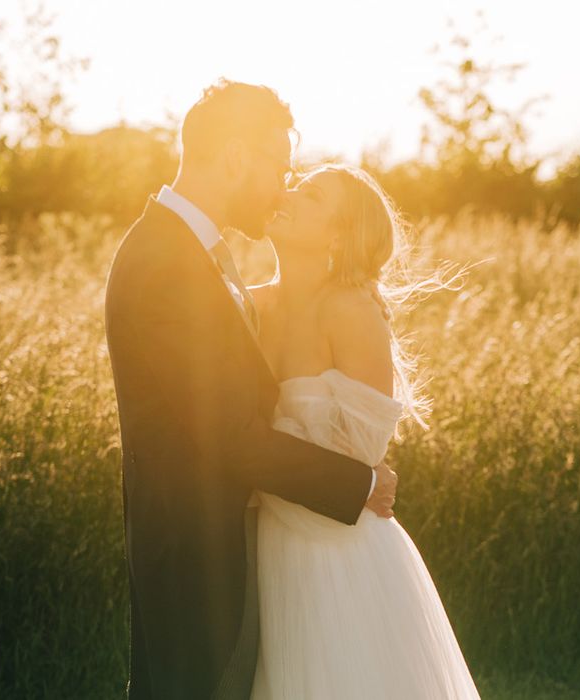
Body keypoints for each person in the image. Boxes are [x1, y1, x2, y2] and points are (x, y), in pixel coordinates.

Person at [104, 80, 398, 699]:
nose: (281, 188)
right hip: (194, 553)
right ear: (237, 158)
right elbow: (231, 434)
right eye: (278, 167)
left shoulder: (196, 250)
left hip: (225, 546)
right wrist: (361, 484)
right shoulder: (166, 260)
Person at [249, 164, 482, 699]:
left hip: (337, 545)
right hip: (261, 539)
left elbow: (360, 453)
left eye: (311, 197)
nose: (287, 193)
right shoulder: (249, 304)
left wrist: (258, 450)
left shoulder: (350, 312)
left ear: (337, 234)